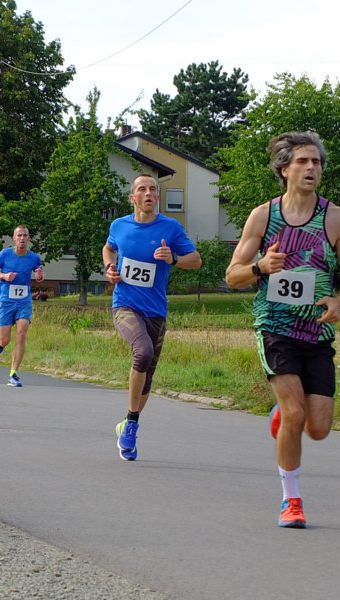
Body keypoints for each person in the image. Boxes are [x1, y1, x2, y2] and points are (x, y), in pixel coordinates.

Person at [224, 131, 340, 529]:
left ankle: (283, 417)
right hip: (275, 327)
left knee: (317, 428)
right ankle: (292, 500)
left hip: (316, 332)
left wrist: (339, 301)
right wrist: (260, 268)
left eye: (316, 162)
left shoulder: (335, 218)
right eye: (302, 162)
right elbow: (232, 275)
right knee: (296, 411)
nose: (311, 168)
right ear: (284, 170)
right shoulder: (263, 216)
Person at [102, 174, 202, 460]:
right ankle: (132, 425)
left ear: (157, 197)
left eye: (153, 190)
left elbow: (196, 260)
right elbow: (108, 248)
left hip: (156, 311)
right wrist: (110, 268)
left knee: (147, 378)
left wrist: (172, 259)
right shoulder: (119, 225)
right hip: (124, 305)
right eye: (142, 189)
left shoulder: (170, 228)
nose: (148, 193)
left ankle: (127, 421)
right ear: (133, 197)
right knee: (142, 352)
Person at [0, 225, 44, 387]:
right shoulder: (5, 254)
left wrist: (39, 276)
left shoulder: (34, 258)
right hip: (6, 301)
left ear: (29, 239)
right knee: (5, 340)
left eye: (25, 235)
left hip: (23, 301)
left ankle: (13, 374)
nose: (22, 238)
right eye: (19, 235)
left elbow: (38, 274)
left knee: (22, 332)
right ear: (14, 238)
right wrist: (4, 275)